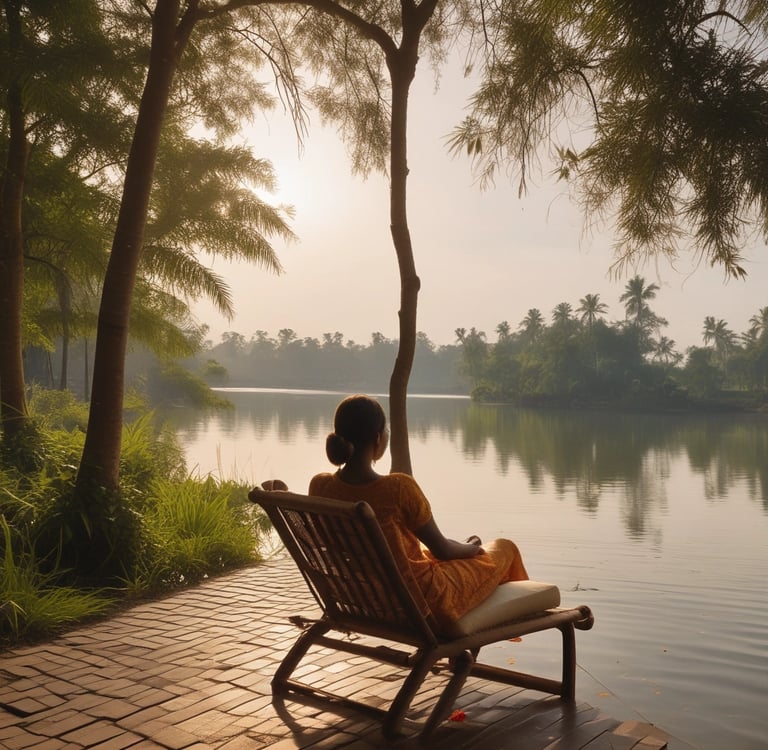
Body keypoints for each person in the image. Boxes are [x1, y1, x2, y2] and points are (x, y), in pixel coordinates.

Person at [265, 394, 529, 631]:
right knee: (504, 549)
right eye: (386, 429)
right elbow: (444, 551)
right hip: (421, 604)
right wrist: (473, 547)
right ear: (378, 438)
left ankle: (463, 654)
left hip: (362, 597)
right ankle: (467, 641)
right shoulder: (398, 488)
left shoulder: (321, 485)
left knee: (435, 558)